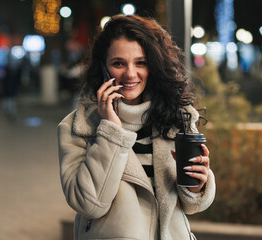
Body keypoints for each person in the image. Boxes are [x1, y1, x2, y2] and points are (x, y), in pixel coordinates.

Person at [57, 15, 216, 240]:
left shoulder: (176, 118)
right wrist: (110, 131)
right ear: (103, 68)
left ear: (153, 66)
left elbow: (191, 206)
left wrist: (199, 185)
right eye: (118, 63)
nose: (130, 74)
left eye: (140, 62)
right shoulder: (78, 127)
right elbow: (88, 204)